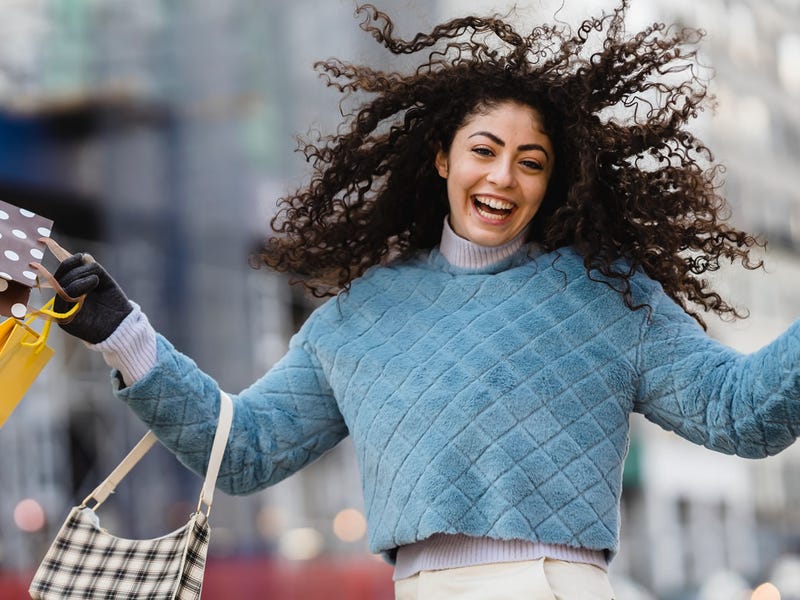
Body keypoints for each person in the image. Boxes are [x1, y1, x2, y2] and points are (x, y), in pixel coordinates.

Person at [51, 1, 800, 598]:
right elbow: (244, 451)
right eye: (484, 150)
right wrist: (125, 337)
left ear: (553, 181)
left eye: (530, 162)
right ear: (443, 157)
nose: (503, 178)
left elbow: (741, 413)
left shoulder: (607, 296)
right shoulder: (358, 318)